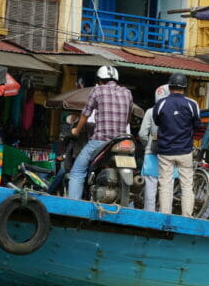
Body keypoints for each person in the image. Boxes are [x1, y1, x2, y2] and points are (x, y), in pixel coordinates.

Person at [68, 66, 133, 201]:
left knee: (77, 172)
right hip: (120, 143)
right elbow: (128, 119)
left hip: (99, 141)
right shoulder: (127, 93)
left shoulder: (97, 90)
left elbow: (85, 115)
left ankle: (73, 205)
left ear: (99, 80)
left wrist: (76, 131)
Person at [153, 73, 202, 217]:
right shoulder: (192, 104)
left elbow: (157, 122)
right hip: (185, 150)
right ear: (185, 88)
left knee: (165, 184)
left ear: (170, 86)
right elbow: (197, 125)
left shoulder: (161, 103)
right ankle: (187, 216)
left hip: (165, 150)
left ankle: (165, 215)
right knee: (187, 185)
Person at [139, 84, 170, 211]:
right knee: (167, 188)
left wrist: (147, 145)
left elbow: (142, 134)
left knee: (150, 188)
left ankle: (149, 216)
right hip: (170, 153)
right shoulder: (175, 112)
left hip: (152, 152)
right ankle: (166, 215)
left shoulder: (150, 111)